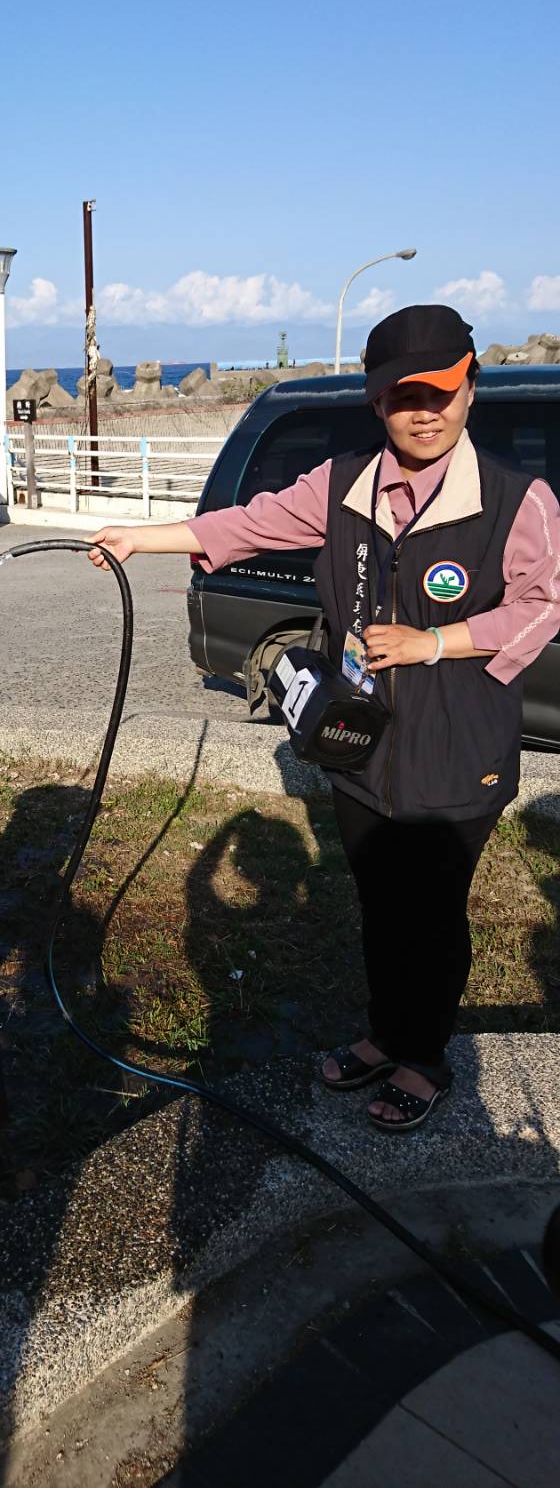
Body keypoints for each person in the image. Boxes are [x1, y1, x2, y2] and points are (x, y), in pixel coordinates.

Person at [87, 305, 560, 1132]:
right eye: (403, 396)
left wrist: (436, 641)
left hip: (460, 747)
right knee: (380, 900)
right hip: (360, 743)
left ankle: (425, 1058)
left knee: (433, 910)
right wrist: (138, 537)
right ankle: (385, 1035)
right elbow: (246, 524)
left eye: (442, 392)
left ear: (471, 388)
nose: (424, 412)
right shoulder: (340, 484)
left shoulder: (522, 501)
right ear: (377, 402)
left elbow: (541, 607)